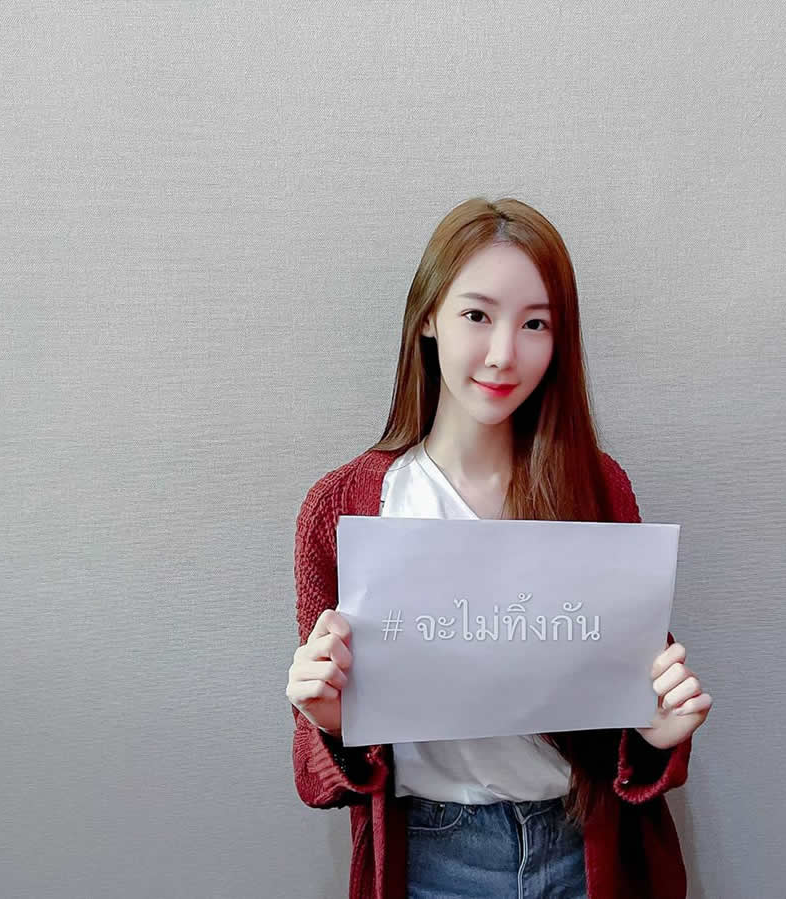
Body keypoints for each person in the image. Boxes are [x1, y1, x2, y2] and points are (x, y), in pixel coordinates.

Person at [287, 197, 712, 899]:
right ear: (428, 317)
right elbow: (320, 772)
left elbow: (631, 701)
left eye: (535, 323)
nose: (503, 354)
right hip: (432, 855)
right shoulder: (346, 505)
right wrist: (332, 722)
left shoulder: (599, 487)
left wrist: (657, 729)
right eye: (477, 315)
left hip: (582, 848)